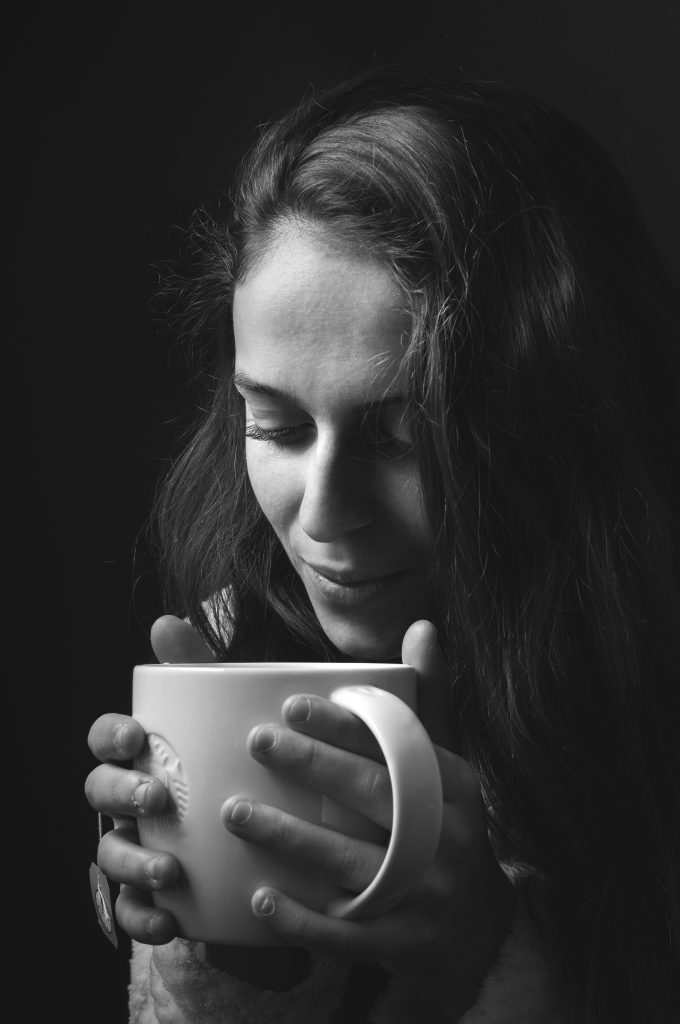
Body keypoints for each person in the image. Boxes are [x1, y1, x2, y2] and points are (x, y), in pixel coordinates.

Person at [85, 65, 680, 1023]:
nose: (322, 515)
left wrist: (497, 959)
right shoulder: (237, 623)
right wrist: (221, 931)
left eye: (402, 436)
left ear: (559, 430)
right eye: (274, 426)